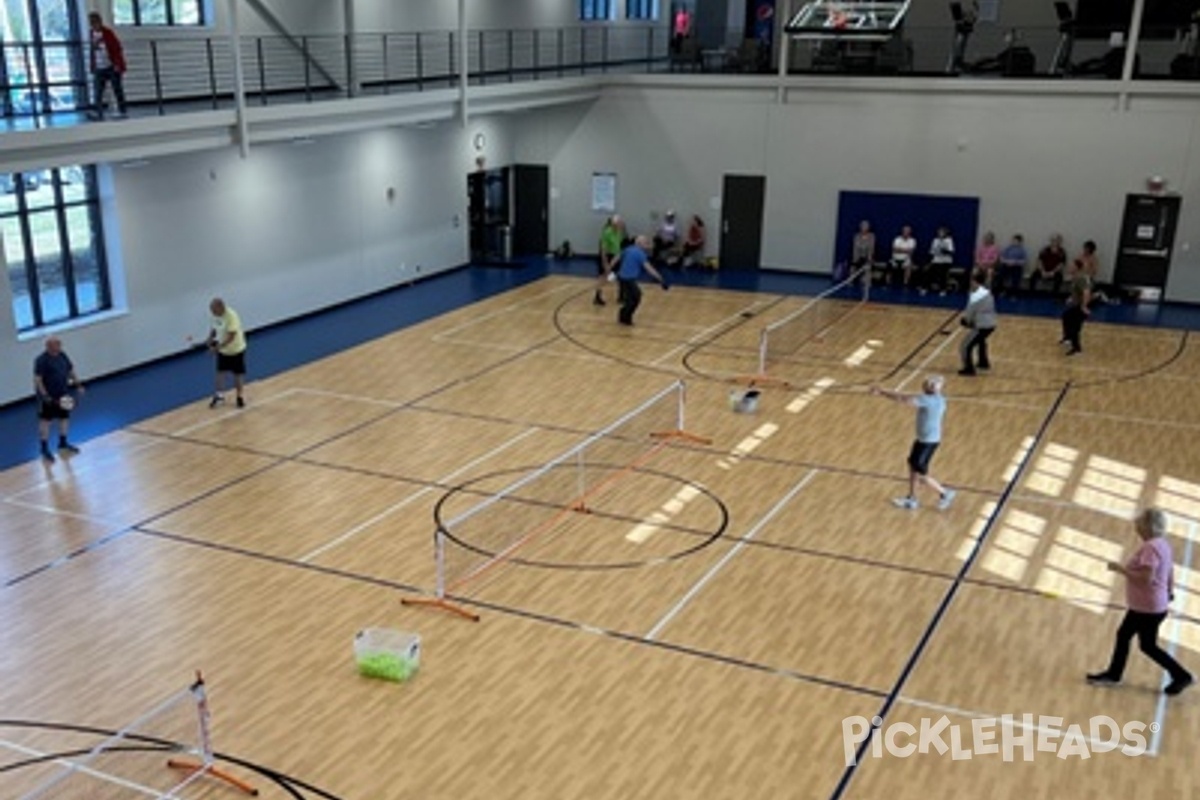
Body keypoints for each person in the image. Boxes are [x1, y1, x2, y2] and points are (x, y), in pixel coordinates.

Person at [1087, 508, 1193, 696]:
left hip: (1146, 607)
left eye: (1139, 524)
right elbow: (1169, 571)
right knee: (1139, 641)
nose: (1136, 527)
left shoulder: (1150, 548)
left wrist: (1120, 569)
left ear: (1147, 527)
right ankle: (1179, 675)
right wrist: (1169, 591)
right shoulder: (1162, 545)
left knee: (1137, 641)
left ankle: (1179, 675)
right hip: (1153, 605)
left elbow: (1145, 578)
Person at [870, 376, 956, 511]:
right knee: (912, 466)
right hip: (923, 439)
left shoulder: (927, 400)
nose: (925, 385)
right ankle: (912, 498)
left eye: (928, 384)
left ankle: (945, 493)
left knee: (921, 473)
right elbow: (907, 396)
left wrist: (882, 392)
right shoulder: (937, 398)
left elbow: (903, 399)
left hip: (928, 442)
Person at [33, 336, 84, 462]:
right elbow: (38, 380)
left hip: (63, 394)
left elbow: (71, 370)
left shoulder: (62, 355)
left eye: (60, 344)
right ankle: (44, 448)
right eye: (57, 344)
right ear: (49, 346)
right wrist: (45, 395)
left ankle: (63, 443)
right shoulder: (41, 360)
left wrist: (78, 384)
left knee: (64, 418)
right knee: (46, 421)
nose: (60, 346)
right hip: (49, 397)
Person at [616, 235, 668, 326]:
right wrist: (661, 279)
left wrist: (610, 268)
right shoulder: (640, 254)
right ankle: (625, 316)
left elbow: (617, 257)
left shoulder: (628, 249)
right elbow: (649, 268)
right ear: (639, 244)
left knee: (630, 298)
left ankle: (624, 317)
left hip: (622, 277)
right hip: (628, 279)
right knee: (636, 297)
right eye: (645, 243)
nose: (647, 244)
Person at [207, 297, 248, 407]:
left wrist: (217, 348)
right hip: (223, 351)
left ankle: (240, 397)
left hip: (236, 349)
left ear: (221, 307)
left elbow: (231, 336)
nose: (212, 313)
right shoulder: (216, 316)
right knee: (220, 373)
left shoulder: (231, 316)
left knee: (237, 374)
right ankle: (219, 396)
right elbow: (214, 328)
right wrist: (210, 339)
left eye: (214, 310)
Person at [87, 12, 127, 121]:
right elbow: (92, 52)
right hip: (99, 67)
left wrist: (117, 64)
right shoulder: (91, 34)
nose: (94, 26)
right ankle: (98, 111)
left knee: (117, 88)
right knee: (98, 90)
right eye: (92, 23)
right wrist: (93, 66)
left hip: (111, 66)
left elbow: (117, 48)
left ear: (100, 22)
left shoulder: (108, 33)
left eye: (96, 23)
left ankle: (122, 110)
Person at [958, 270, 996, 376]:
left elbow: (970, 312)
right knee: (981, 341)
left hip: (982, 325)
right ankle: (983, 362)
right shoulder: (987, 292)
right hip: (991, 323)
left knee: (965, 346)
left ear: (974, 281)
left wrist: (966, 320)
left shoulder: (975, 295)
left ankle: (968, 368)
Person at [1061, 256, 1092, 356]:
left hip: (1079, 306)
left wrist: (1084, 306)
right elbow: (1076, 292)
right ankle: (1068, 338)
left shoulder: (1081, 279)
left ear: (1076, 268)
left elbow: (1086, 293)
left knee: (1075, 327)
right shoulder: (1075, 278)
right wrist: (1071, 298)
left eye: (1071, 266)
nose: (1069, 267)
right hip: (1075, 304)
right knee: (1066, 317)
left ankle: (1077, 349)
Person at [595, 214, 624, 306]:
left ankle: (621, 296)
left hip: (616, 256)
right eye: (619, 223)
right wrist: (606, 264)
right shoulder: (607, 232)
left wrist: (617, 258)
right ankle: (597, 296)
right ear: (614, 224)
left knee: (620, 276)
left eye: (620, 223)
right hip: (607, 256)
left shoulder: (620, 232)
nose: (621, 225)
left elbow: (619, 247)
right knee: (604, 277)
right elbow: (603, 250)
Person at [927, 225, 955, 295]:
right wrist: (933, 252)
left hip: (946, 260)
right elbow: (932, 251)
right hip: (936, 260)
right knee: (929, 271)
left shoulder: (949, 240)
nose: (940, 234)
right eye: (939, 232)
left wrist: (944, 250)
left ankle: (943, 289)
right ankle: (926, 287)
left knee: (943, 273)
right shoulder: (935, 240)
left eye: (942, 232)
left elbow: (951, 251)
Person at [851, 220, 875, 290]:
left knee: (868, 267)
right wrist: (855, 259)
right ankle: (851, 280)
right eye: (863, 227)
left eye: (866, 227)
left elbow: (871, 248)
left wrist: (869, 258)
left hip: (867, 257)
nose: (864, 228)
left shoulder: (871, 236)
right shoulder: (857, 236)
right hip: (858, 256)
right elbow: (855, 248)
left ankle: (866, 281)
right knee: (853, 266)